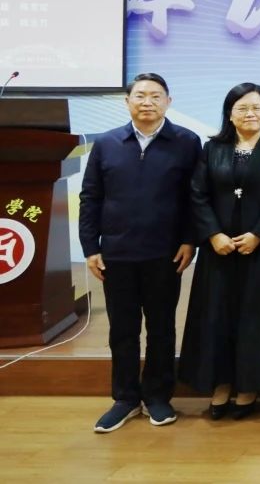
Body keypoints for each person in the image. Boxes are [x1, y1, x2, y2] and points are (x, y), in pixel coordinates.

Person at [79, 72, 202, 433]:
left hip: (166, 253)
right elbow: (91, 196)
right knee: (123, 329)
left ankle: (158, 396)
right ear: (127, 101)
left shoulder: (186, 142)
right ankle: (125, 398)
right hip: (117, 253)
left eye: (155, 96)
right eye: (140, 96)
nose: (147, 102)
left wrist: (190, 239)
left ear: (168, 101)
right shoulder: (107, 143)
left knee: (162, 328)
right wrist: (90, 247)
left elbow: (195, 197)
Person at [178, 82, 260, 420]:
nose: (250, 114)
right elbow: (197, 194)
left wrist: (259, 234)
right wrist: (213, 234)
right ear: (229, 114)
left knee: (255, 317)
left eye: (257, 107)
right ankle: (221, 384)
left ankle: (249, 385)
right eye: (242, 108)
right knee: (217, 315)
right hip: (218, 249)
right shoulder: (212, 148)